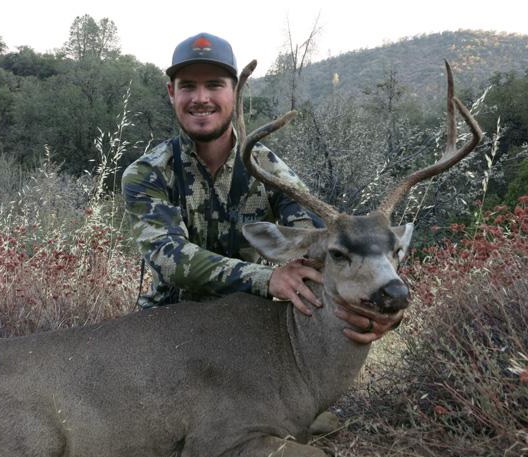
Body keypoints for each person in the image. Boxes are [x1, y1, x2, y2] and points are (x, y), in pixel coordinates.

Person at [122, 32, 397, 343]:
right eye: (188, 86)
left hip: (246, 327)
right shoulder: (148, 174)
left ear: (237, 91)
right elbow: (171, 260)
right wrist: (268, 278)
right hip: (164, 327)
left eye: (214, 85)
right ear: (171, 92)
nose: (201, 98)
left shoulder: (268, 171)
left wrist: (383, 304)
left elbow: (318, 244)